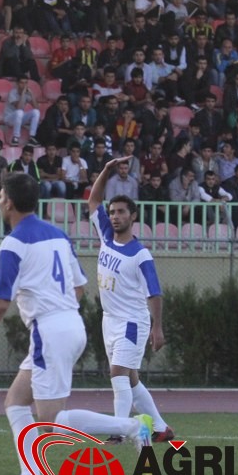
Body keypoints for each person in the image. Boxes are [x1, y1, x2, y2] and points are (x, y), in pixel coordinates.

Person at [0, 174, 153, 475]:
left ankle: (132, 426)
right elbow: (80, 287)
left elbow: (1, 302)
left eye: (1, 196)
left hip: (50, 332)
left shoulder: (13, 243)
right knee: (16, 402)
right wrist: (59, 314)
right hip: (69, 325)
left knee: (51, 422)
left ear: (9, 203)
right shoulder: (58, 235)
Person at [87, 159, 174, 443]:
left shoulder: (140, 254)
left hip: (132, 322)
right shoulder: (106, 236)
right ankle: (161, 428)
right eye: (112, 212)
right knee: (131, 378)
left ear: (133, 216)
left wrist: (157, 327)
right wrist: (107, 170)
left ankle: (119, 430)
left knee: (117, 374)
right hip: (110, 320)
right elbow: (93, 201)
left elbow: (155, 292)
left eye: (121, 212)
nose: (114, 216)